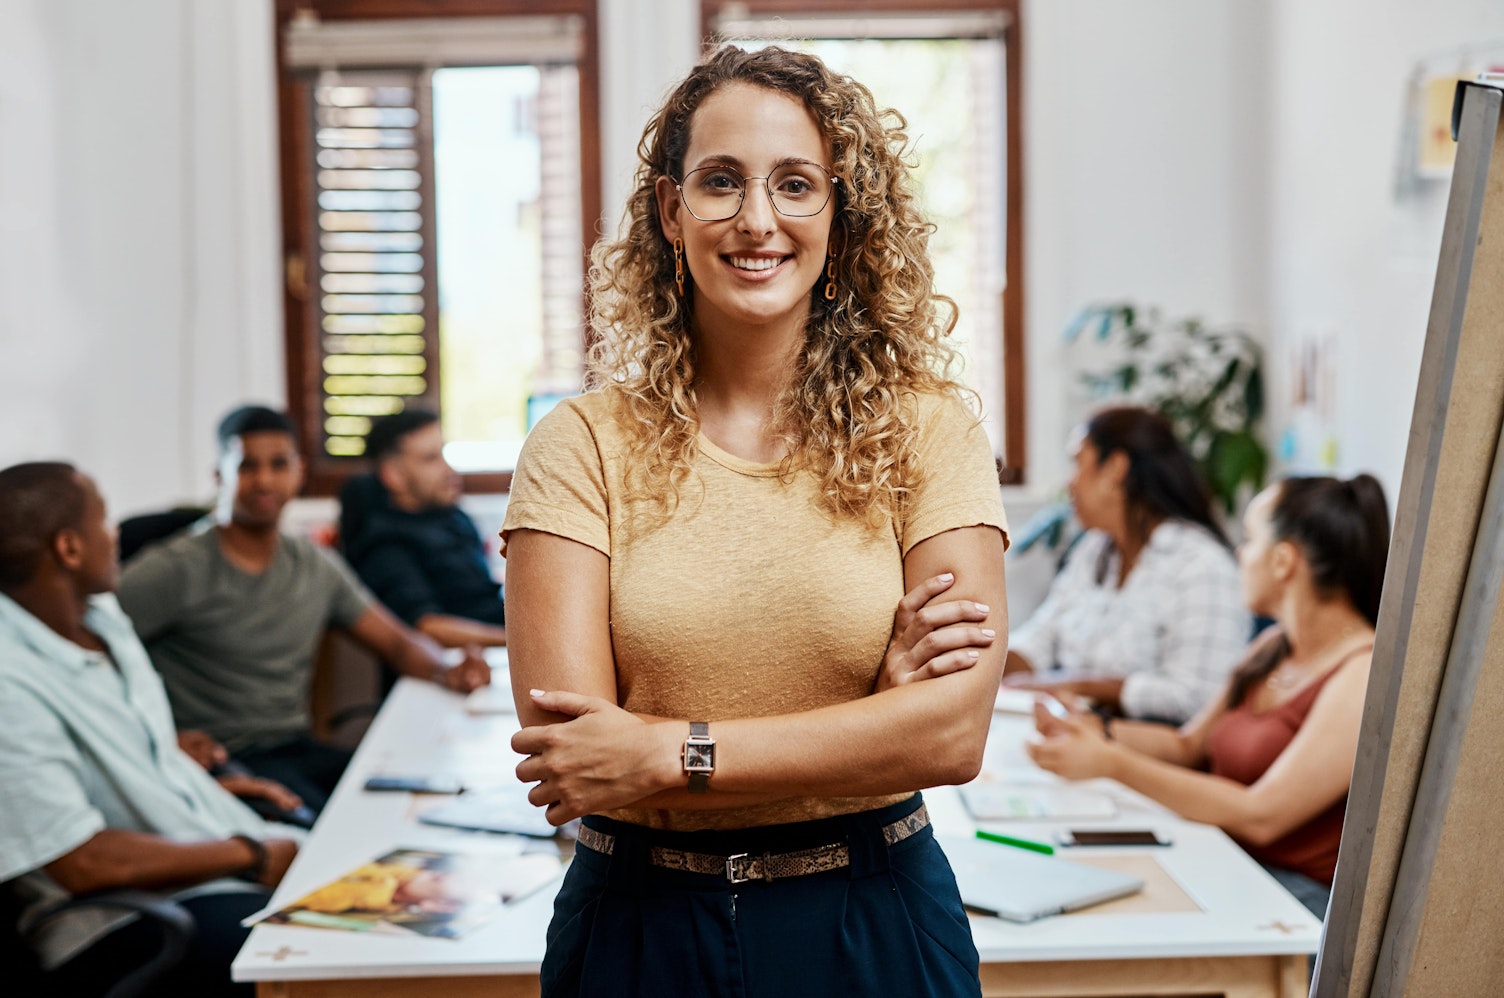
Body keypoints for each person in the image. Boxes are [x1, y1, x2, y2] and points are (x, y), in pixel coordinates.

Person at [502, 46, 1009, 997]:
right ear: (670, 210)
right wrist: (868, 719)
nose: (758, 219)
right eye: (721, 181)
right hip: (640, 925)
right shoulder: (579, 446)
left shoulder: (927, 434)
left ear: (839, 212)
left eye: (796, 184)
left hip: (875, 912)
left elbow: (950, 737)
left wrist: (667, 749)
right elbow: (575, 767)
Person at [1026, 473, 1390, 919]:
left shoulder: (1360, 672)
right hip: (1226, 861)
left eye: (1250, 540)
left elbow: (1262, 815)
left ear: (1283, 562)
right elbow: (1189, 747)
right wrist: (1094, 730)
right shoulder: (1272, 647)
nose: (1240, 555)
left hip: (1294, 900)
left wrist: (1112, 763)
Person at [0, 461, 300, 997]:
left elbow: (121, 759)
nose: (115, 535)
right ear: (69, 548)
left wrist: (202, 788)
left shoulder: (101, 618)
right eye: (104, 520)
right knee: (326, 944)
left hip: (194, 863)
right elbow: (84, 862)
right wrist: (250, 853)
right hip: (118, 923)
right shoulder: (8, 681)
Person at [117, 405, 490, 812]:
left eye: (278, 464)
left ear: (299, 472)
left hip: (296, 748)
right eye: (246, 466)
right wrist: (156, 740)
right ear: (219, 476)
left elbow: (399, 644)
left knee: (411, 800)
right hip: (222, 759)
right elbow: (81, 649)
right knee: (320, 836)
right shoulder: (174, 568)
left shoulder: (315, 564)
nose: (264, 480)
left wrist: (446, 669)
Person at [1004, 406, 1250, 723]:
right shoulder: (1093, 551)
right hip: (1078, 737)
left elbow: (1196, 698)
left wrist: (1076, 685)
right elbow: (1042, 637)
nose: (1070, 483)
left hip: (1143, 753)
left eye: (1078, 463)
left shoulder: (1201, 565)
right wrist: (981, 670)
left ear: (1116, 469)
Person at [338, 408, 507, 649]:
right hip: (449, 669)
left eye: (444, 454)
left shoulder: (454, 518)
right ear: (393, 475)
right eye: (430, 459)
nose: (448, 469)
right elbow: (427, 627)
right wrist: (521, 641)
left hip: (494, 651)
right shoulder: (384, 544)